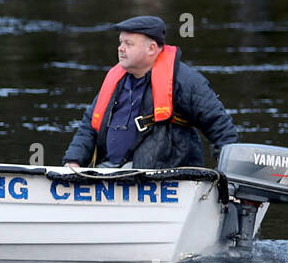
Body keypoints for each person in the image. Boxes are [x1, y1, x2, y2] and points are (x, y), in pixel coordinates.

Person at [62, 15, 238, 169]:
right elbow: (89, 127)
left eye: (128, 43)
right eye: (120, 42)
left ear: (152, 48)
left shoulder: (185, 82)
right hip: (111, 172)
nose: (120, 48)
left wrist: (229, 179)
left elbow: (221, 129)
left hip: (164, 179)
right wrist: (73, 161)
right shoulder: (115, 80)